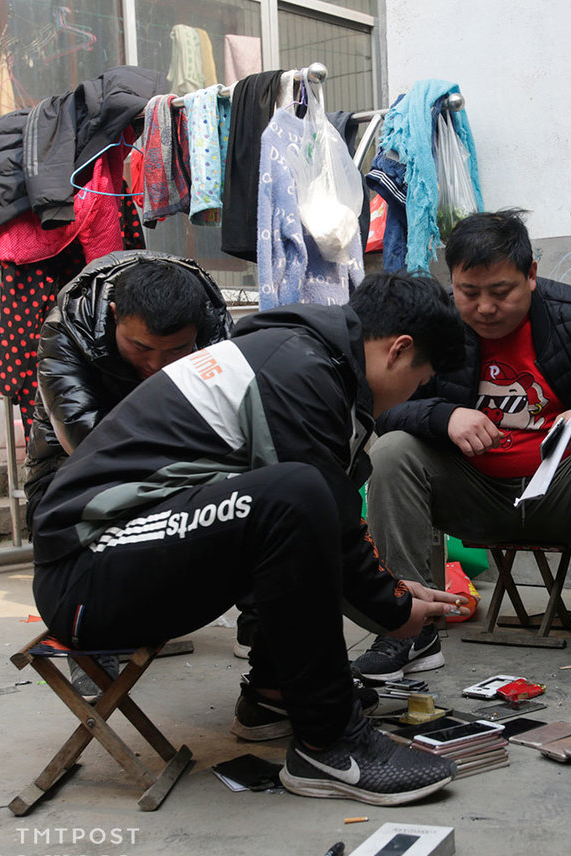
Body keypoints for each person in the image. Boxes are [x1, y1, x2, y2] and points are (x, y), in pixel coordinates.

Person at [31, 272, 470, 805]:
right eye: (421, 380)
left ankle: (274, 692)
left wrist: (388, 592)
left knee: (291, 496)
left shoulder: (304, 360)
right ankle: (329, 743)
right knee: (295, 493)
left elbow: (322, 534)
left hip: (127, 557)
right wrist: (395, 608)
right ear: (399, 352)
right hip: (87, 574)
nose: (414, 392)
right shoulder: (299, 369)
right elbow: (325, 514)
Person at [357, 210, 571, 684]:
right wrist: (445, 417)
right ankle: (409, 626)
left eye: (501, 292)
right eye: (468, 293)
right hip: (471, 493)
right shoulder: (436, 324)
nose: (484, 308)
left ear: (532, 274)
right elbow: (384, 404)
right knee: (391, 451)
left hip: (561, 492)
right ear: (451, 281)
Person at [23, 251, 234, 697]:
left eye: (177, 349)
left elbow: (230, 419)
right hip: (73, 474)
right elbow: (90, 445)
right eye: (140, 348)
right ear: (115, 315)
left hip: (178, 463)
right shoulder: (66, 330)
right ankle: (94, 644)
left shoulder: (214, 325)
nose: (157, 365)